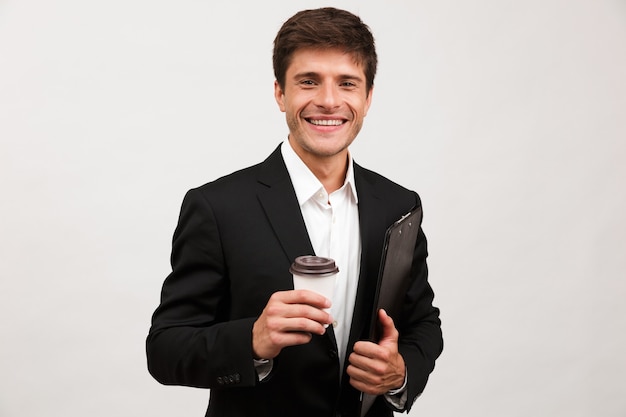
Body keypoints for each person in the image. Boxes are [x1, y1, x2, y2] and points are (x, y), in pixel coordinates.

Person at [146, 7, 443, 417]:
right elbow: (165, 348)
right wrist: (252, 340)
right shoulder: (217, 207)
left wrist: (401, 372)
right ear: (280, 93)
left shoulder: (399, 205)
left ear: (368, 97)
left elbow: (423, 323)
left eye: (347, 83)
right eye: (308, 81)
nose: (328, 100)